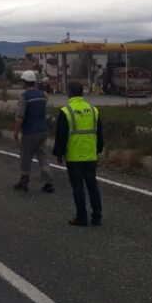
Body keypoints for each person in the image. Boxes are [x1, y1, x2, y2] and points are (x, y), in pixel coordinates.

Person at [53, 81, 104, 226]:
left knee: (78, 187)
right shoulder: (93, 110)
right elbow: (99, 133)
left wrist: (59, 153)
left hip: (74, 156)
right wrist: (98, 149)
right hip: (90, 154)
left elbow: (61, 136)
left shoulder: (66, 111)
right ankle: (97, 216)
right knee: (92, 185)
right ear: (82, 92)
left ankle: (81, 217)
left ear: (69, 92)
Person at [12, 70, 54, 193]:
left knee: (26, 157)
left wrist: (15, 131)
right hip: (42, 131)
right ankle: (49, 183)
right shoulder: (42, 95)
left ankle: (23, 183)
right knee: (43, 157)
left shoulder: (24, 97)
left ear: (25, 82)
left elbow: (20, 117)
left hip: (30, 132)